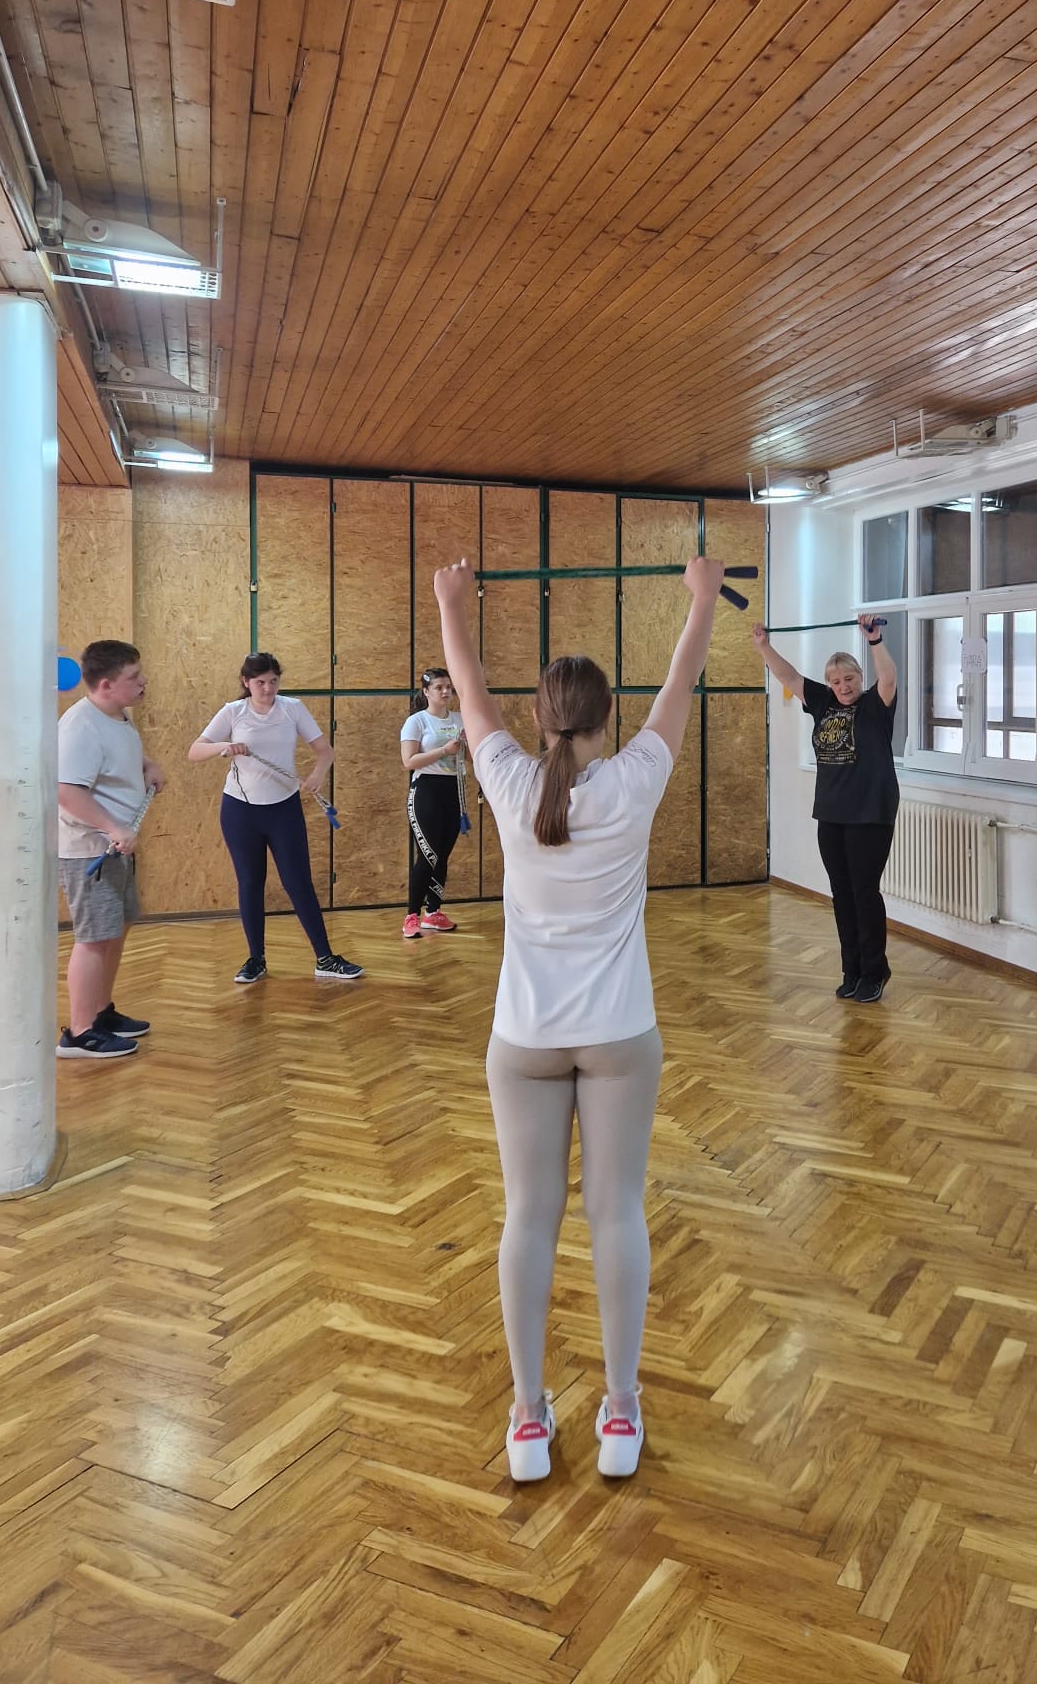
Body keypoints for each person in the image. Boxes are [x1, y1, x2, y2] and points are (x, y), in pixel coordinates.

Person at [434, 551, 724, 1484]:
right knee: (615, 1211)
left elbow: (469, 690)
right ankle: (621, 1411)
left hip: (524, 1038)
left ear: (539, 718)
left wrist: (451, 603)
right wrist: (702, 598)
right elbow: (681, 679)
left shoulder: (511, 783)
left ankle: (528, 1419)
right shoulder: (634, 780)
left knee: (530, 1216)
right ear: (607, 719)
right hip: (619, 1037)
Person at [187, 654, 362, 987]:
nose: (267, 689)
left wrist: (317, 775)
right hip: (240, 810)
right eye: (259, 683)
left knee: (299, 883)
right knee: (250, 882)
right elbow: (195, 751)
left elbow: (325, 750)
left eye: (273, 681)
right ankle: (256, 959)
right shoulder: (233, 712)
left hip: (284, 809)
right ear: (246, 683)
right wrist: (226, 745)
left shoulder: (292, 708)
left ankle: (325, 959)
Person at [752, 616, 899, 1002]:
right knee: (841, 893)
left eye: (849, 679)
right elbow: (788, 677)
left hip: (870, 814)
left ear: (859, 677)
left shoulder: (875, 706)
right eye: (836, 681)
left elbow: (888, 677)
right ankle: (852, 970)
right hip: (831, 814)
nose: (843, 686)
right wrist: (764, 646)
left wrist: (875, 640)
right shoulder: (823, 702)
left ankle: (875, 971)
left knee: (864, 892)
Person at [56, 639, 163, 1061]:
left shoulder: (117, 716)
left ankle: (100, 1013)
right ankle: (79, 1033)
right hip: (91, 852)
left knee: (115, 930)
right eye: (134, 677)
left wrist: (146, 764)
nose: (144, 682)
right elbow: (67, 791)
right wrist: (113, 827)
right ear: (105, 685)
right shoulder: (80, 726)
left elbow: (111, 761)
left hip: (115, 850)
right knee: (94, 939)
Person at [399, 666, 469, 939]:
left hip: (452, 791)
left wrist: (468, 747)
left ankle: (433, 912)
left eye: (448, 687)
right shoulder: (417, 721)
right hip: (426, 791)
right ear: (426, 691)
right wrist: (443, 750)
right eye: (439, 687)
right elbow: (408, 761)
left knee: (442, 855)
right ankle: (411, 915)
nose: (445, 692)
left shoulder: (460, 719)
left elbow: (469, 754)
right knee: (427, 855)